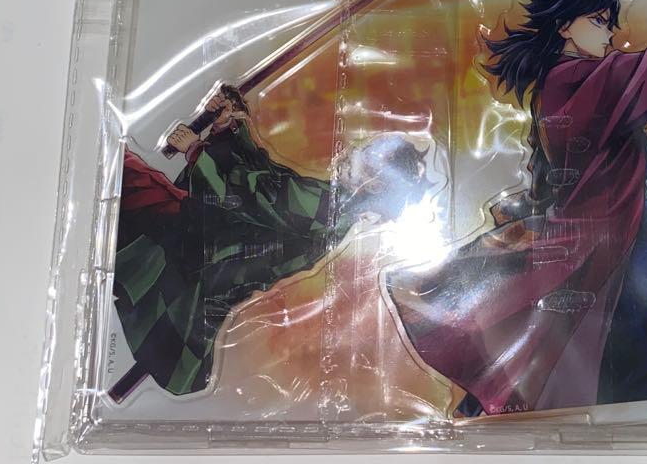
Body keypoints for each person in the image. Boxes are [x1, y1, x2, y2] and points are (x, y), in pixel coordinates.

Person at [383, 0, 647, 416]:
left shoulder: (571, 88)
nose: (609, 34)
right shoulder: (573, 80)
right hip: (642, 234)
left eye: (609, 22)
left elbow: (584, 165)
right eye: (598, 21)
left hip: (641, 227)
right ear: (564, 25)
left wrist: (642, 152)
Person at [109, 86, 429, 400]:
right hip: (195, 249)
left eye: (367, 154)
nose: (353, 150)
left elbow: (251, 194)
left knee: (123, 180)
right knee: (124, 184)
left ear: (374, 184)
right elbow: (269, 177)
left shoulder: (326, 210)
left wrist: (196, 149)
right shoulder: (330, 205)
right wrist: (231, 127)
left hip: (193, 271)